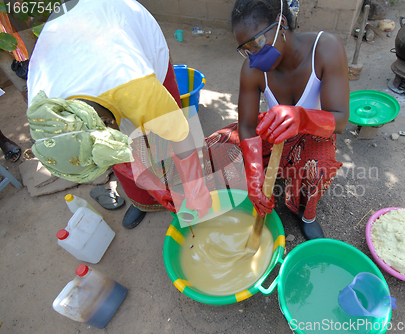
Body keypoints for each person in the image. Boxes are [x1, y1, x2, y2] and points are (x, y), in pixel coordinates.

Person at [26, 0, 212, 229]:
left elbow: (181, 137)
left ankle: (181, 188)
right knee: (123, 152)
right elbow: (107, 151)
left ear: (105, 122)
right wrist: (151, 187)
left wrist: (196, 191)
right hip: (77, 45)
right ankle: (145, 201)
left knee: (166, 134)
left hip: (122, 26)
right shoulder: (45, 110)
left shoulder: (136, 85)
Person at [204, 0, 349, 240]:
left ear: (281, 24)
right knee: (215, 145)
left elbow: (341, 120)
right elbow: (248, 127)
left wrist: (301, 116)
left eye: (257, 43)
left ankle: (306, 214)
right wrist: (254, 175)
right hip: (276, 131)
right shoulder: (253, 69)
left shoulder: (325, 49)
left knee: (317, 166)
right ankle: (253, 193)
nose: (253, 54)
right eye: (245, 48)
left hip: (314, 131)